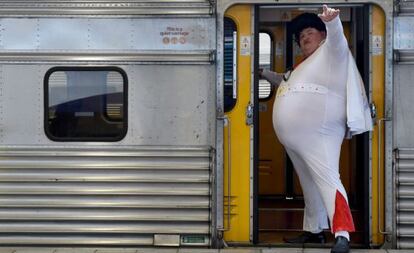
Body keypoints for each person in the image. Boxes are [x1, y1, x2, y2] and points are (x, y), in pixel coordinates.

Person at [259, 5, 372, 253]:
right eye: (300, 36)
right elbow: (283, 80)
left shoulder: (330, 55)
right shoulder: (301, 66)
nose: (304, 38)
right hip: (295, 140)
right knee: (309, 184)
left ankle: (342, 234)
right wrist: (262, 73)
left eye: (310, 32)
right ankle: (314, 230)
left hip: (318, 134)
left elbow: (339, 43)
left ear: (322, 35)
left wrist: (332, 23)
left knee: (328, 178)